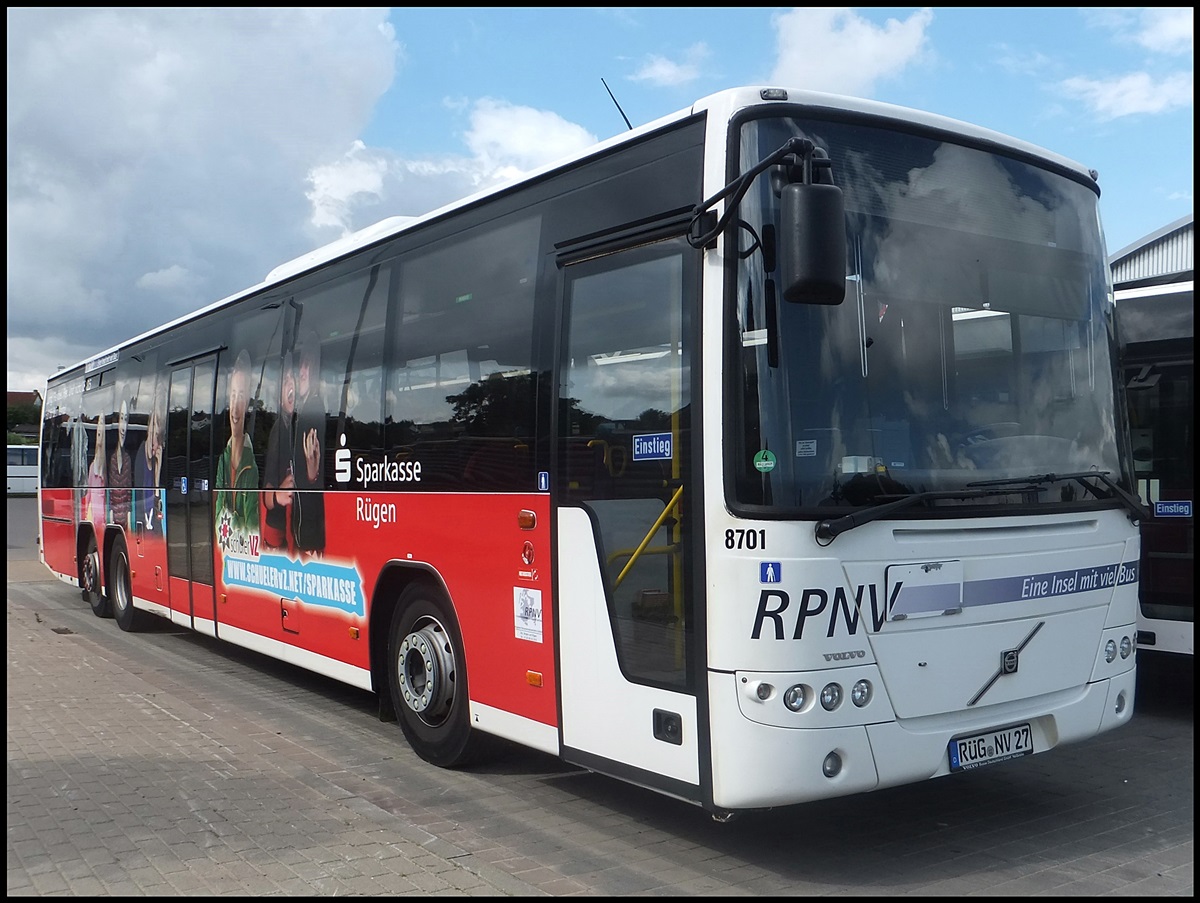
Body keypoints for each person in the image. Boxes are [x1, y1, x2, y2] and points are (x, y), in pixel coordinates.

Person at [215, 349, 260, 532]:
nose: (235, 407)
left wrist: (231, 520)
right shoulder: (222, 461)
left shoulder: (251, 466)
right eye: (233, 395)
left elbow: (251, 530)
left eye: (241, 396)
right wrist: (236, 521)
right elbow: (218, 521)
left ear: (248, 402)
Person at [292, 331, 326, 557]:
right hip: (307, 524)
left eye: (308, 365)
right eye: (301, 365)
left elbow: (313, 473)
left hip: (309, 526)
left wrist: (312, 476)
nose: (302, 371)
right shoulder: (306, 409)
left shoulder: (312, 411)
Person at [261, 352, 296, 552]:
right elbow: (266, 494)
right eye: (285, 381)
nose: (291, 385)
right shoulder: (279, 430)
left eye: (293, 378)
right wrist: (278, 495)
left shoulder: (293, 426)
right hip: (276, 536)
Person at [134, 388, 166, 534]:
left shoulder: (159, 461)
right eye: (155, 425)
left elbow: (159, 506)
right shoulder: (139, 456)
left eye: (160, 433)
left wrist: (158, 474)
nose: (157, 437)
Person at [107, 399, 133, 531]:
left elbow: (129, 487)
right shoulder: (110, 457)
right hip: (113, 514)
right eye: (121, 418)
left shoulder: (128, 457)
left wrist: (129, 511)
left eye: (126, 419)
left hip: (125, 515)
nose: (123, 426)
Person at [82, 412, 107, 525]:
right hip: (96, 518)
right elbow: (88, 494)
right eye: (98, 434)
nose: (100, 438)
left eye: (102, 434)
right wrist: (86, 512)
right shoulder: (93, 466)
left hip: (106, 517)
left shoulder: (108, 466)